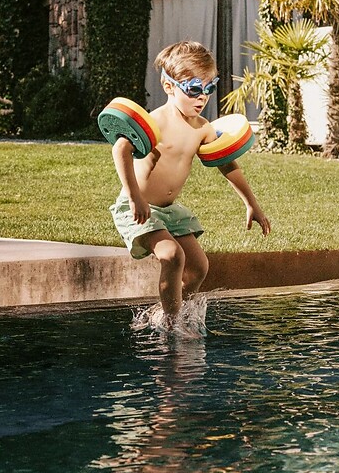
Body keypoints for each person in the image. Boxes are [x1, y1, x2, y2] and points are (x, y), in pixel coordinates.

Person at [109, 40, 270, 329]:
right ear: (168, 86)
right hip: (140, 208)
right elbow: (120, 149)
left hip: (170, 211)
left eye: (209, 88)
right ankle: (171, 326)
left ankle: (167, 314)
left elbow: (226, 164)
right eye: (194, 88)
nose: (202, 97)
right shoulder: (153, 123)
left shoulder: (203, 128)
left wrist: (251, 203)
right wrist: (134, 196)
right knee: (172, 256)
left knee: (198, 268)